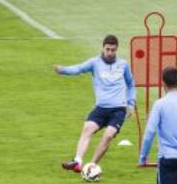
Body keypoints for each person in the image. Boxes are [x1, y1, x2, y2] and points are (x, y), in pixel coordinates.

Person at [54, 35, 136, 172]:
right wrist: (63, 70)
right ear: (103, 48)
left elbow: (131, 84)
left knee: (108, 136)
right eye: (108, 49)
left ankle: (91, 166)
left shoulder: (123, 65)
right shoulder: (95, 63)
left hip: (118, 109)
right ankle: (77, 162)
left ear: (117, 50)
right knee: (87, 129)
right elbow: (78, 69)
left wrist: (131, 104)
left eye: (113, 50)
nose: (110, 53)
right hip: (100, 108)